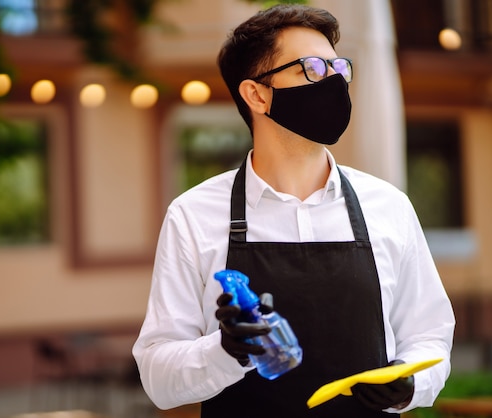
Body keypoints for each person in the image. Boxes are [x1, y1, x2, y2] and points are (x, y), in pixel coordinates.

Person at [132, 4, 455, 417]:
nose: (334, 81)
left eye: (339, 68)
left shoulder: (388, 206)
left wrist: (410, 383)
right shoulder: (193, 215)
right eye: (313, 69)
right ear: (257, 94)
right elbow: (158, 379)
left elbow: (430, 336)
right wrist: (226, 350)